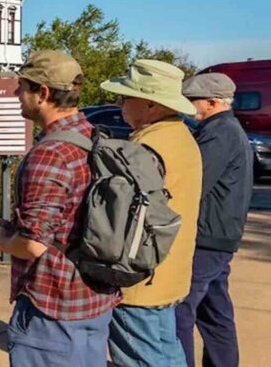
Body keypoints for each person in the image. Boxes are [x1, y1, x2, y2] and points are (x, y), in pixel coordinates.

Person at [0, 50, 120, 367]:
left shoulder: (51, 154)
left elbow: (34, 244)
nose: (15, 93)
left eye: (22, 86)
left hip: (53, 309)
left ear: (43, 93)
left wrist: (4, 240)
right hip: (93, 300)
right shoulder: (93, 137)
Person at [100, 60, 202, 367]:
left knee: (141, 358)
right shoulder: (180, 136)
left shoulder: (147, 145)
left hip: (142, 279)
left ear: (149, 104)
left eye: (125, 97)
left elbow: (120, 217)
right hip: (169, 274)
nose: (120, 104)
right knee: (167, 352)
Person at [176, 73, 253, 366]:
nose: (188, 106)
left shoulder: (219, 131)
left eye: (192, 100)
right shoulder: (225, 128)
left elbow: (196, 182)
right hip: (220, 235)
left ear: (212, 102)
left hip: (207, 237)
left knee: (181, 308)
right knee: (214, 312)